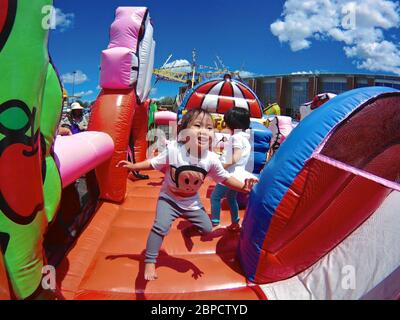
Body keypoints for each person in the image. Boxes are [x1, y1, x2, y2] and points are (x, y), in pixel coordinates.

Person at [117, 109, 257, 281]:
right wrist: (133, 166)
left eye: (209, 127)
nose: (204, 131)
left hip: (191, 202)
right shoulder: (174, 150)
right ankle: (150, 260)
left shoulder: (211, 159)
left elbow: (226, 179)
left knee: (206, 228)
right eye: (197, 125)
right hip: (169, 199)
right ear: (184, 131)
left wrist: (245, 187)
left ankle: (188, 232)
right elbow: (152, 163)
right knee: (160, 227)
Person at [210, 107, 255, 232]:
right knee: (231, 198)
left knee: (215, 197)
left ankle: (215, 223)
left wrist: (220, 167)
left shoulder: (236, 138)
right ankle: (235, 222)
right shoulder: (245, 138)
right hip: (239, 173)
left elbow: (235, 157)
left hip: (230, 174)